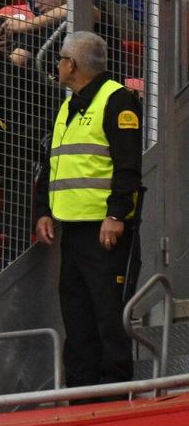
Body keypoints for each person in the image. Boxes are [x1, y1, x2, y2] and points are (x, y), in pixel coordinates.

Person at [33, 30, 145, 388]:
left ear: (74, 64)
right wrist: (43, 211)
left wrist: (116, 216)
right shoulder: (70, 103)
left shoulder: (118, 101)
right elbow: (52, 163)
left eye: (62, 59)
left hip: (105, 232)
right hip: (74, 229)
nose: (58, 65)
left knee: (109, 318)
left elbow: (128, 167)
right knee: (77, 318)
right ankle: (81, 398)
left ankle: (114, 397)